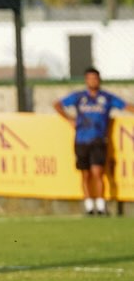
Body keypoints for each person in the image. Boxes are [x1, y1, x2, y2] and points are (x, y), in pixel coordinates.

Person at [54, 67, 134, 216]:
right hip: (81, 139)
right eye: (90, 78)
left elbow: (126, 106)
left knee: (98, 172)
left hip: (98, 139)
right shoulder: (79, 97)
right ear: (86, 80)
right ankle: (89, 206)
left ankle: (101, 205)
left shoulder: (106, 98)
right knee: (85, 174)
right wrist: (69, 119)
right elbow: (57, 104)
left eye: (95, 78)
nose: (93, 81)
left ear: (99, 80)